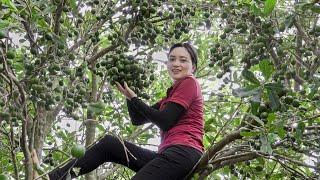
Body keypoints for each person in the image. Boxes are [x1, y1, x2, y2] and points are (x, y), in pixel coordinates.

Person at [48, 42, 204, 180]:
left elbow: (165, 121)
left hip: (183, 154)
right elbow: (137, 119)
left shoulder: (190, 82)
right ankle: (52, 178)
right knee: (109, 144)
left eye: (183, 60)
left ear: (193, 67)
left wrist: (135, 99)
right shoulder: (170, 96)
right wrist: (129, 93)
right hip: (168, 155)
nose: (176, 64)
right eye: (172, 59)